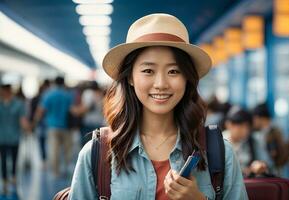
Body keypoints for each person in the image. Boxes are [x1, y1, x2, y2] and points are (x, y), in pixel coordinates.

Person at [69, 13, 248, 200]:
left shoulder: (219, 151)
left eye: (173, 71)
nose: (161, 83)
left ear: (187, 78)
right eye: (148, 71)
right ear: (130, 77)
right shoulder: (98, 154)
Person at [34, 76, 74, 177]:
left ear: (54, 83)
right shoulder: (67, 95)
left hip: (52, 127)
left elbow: (41, 110)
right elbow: (72, 110)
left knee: (54, 150)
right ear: (63, 83)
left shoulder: (48, 95)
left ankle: (56, 172)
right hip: (66, 126)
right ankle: (67, 168)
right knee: (67, 150)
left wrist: (35, 122)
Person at [0, 83, 30, 196]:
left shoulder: (18, 104)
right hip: (2, 138)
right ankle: (4, 181)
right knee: (3, 160)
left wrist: (28, 128)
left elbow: (22, 120)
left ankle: (13, 178)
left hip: (14, 137)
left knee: (14, 159)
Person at [223, 107, 270, 176]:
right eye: (240, 126)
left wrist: (260, 165)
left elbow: (264, 161)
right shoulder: (220, 142)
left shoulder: (252, 141)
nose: (245, 131)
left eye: (247, 127)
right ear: (229, 125)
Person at [252, 103, 286, 176]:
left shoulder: (272, 132)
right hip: (269, 170)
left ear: (259, 118)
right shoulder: (267, 131)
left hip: (272, 171)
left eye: (254, 118)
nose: (253, 121)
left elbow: (275, 153)